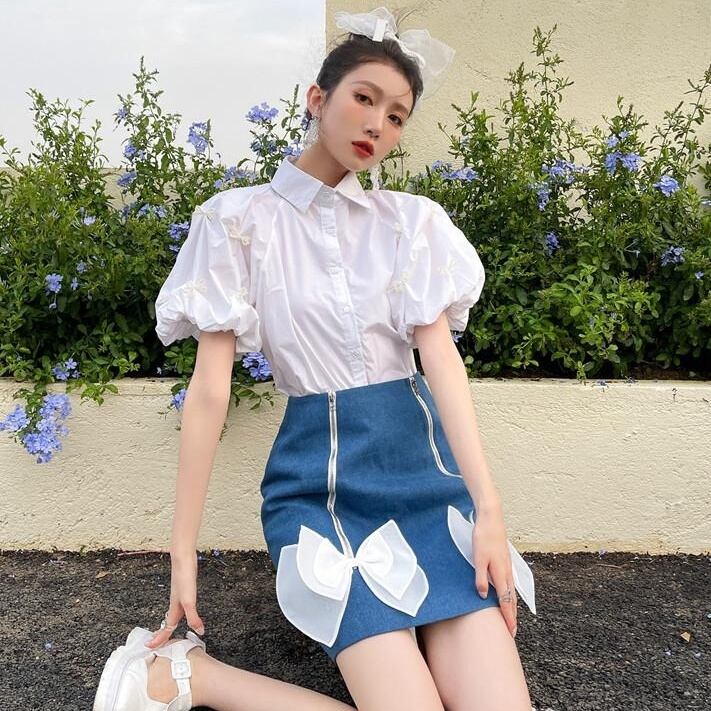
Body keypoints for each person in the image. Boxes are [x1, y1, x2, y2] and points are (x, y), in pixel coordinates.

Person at [93, 7, 536, 711]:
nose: (377, 125)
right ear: (317, 98)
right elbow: (209, 392)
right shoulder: (236, 222)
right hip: (323, 488)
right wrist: (182, 550)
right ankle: (190, 676)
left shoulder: (412, 224)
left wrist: (489, 511)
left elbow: (442, 365)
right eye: (364, 98)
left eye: (396, 116)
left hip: (425, 481)